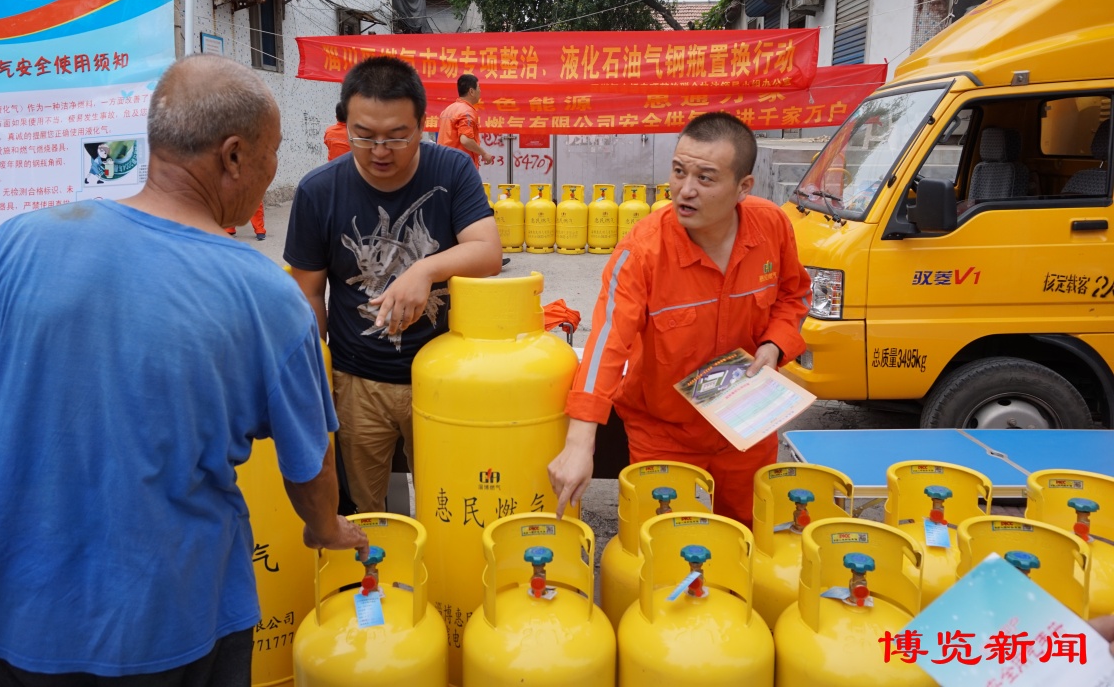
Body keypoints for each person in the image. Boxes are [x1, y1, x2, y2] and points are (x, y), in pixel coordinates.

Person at [0, 55, 367, 686]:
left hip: (17, 627)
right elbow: (311, 466)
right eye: (271, 158)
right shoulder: (268, 297)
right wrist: (326, 528)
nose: (271, 176)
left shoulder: (18, 244)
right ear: (234, 156)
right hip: (182, 626)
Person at [547, 112, 812, 528]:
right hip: (664, 433)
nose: (685, 190)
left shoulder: (772, 227)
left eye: (706, 178)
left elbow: (794, 295)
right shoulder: (641, 253)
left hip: (746, 427)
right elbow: (606, 344)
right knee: (666, 549)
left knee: (744, 539)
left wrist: (774, 344)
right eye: (678, 171)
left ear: (743, 187)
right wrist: (581, 442)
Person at [285, 56, 502, 514]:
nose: (380, 149)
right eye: (363, 135)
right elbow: (308, 294)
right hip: (357, 380)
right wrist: (316, 374)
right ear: (344, 124)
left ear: (423, 124)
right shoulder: (318, 191)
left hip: (444, 378)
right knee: (366, 509)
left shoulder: (451, 172)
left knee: (449, 500)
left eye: (398, 135)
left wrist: (423, 270)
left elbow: (488, 252)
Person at [436, 73, 495, 169]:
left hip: (444, 165)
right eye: (478, 87)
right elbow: (466, 140)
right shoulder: (467, 111)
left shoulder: (448, 110)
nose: (480, 91)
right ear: (471, 91)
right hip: (459, 167)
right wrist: (484, 153)